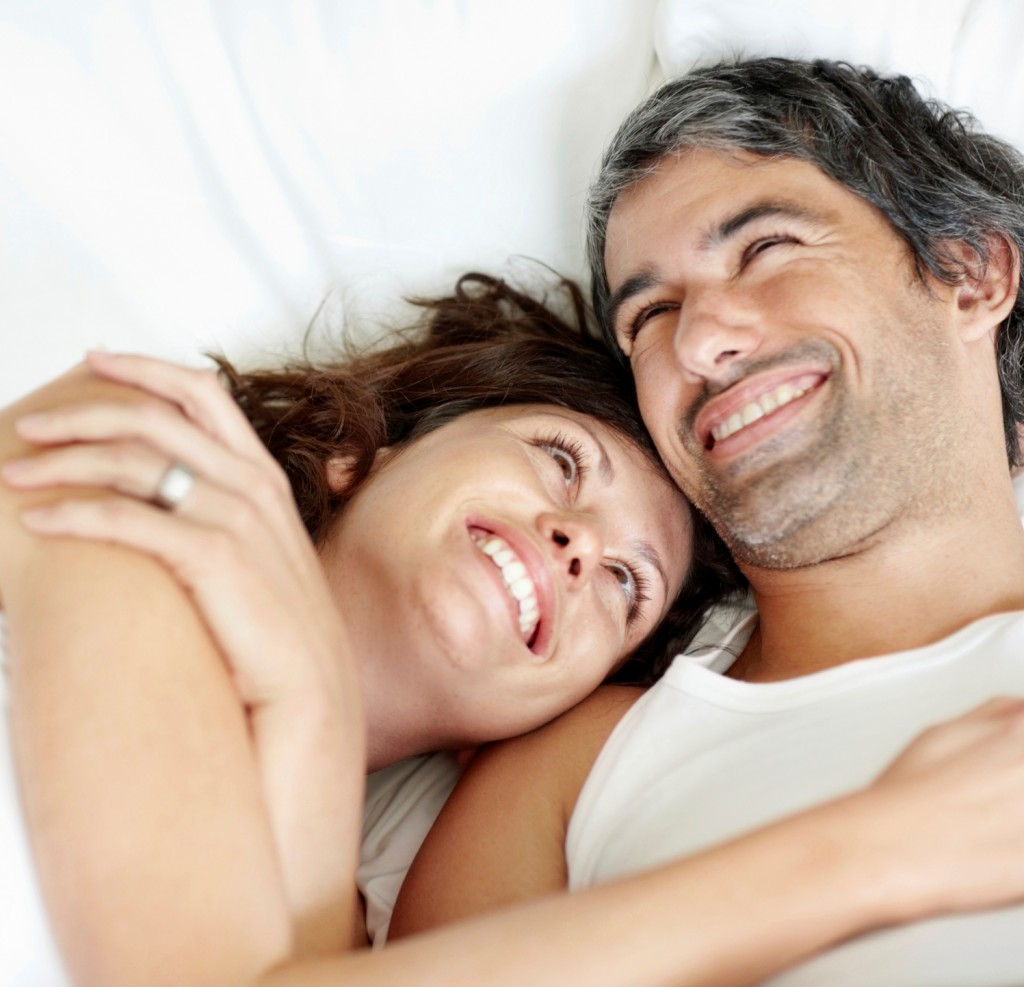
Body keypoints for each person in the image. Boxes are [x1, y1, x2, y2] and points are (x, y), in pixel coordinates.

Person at [8, 268, 1024, 987]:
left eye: (626, 586)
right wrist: (884, 848)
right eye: (560, 461)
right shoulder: (163, 449)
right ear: (368, 446)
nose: (578, 547)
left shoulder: (382, 909)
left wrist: (310, 715)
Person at [391, 58, 1024, 985]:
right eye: (649, 313)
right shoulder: (575, 769)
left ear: (970, 273)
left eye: (764, 249)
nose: (699, 340)